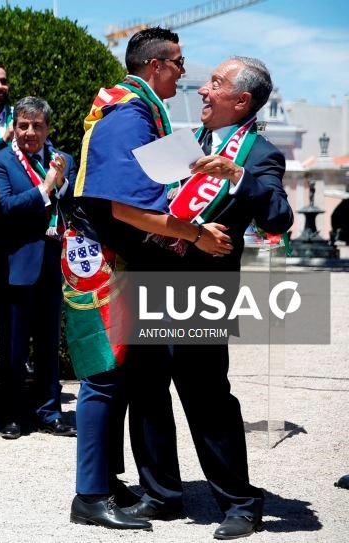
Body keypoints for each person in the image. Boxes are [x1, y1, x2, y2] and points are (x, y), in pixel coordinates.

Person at [122, 56, 293, 541]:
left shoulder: (259, 155)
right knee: (148, 389)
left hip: (203, 289)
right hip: (154, 278)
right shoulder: (184, 144)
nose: (202, 89)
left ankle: (239, 502)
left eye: (215, 83)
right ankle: (161, 494)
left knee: (206, 396)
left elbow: (279, 219)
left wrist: (236, 176)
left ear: (241, 100)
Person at [68, 27, 230, 530]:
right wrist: (197, 234)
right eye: (179, 62)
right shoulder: (128, 114)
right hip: (102, 259)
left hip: (112, 255)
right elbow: (126, 206)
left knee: (112, 377)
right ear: (155, 66)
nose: (185, 73)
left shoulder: (134, 109)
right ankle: (89, 497)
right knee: (103, 376)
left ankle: (104, 481)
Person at [0, 96, 76, 439]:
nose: (30, 132)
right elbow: (5, 207)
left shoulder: (62, 160)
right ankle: (12, 413)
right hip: (17, 265)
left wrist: (62, 183)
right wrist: (47, 186)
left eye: (37, 126)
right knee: (14, 345)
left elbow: (75, 204)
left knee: (49, 343)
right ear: (14, 128)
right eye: (23, 125)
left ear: (48, 128)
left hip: (54, 263)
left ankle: (50, 411)